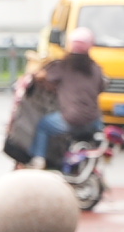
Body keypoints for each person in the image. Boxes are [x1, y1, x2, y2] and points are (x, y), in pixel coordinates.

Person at [30, 26, 107, 169]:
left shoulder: (63, 66)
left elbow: (41, 76)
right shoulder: (95, 68)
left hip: (71, 121)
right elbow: (101, 87)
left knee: (43, 125)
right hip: (93, 122)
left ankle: (39, 159)